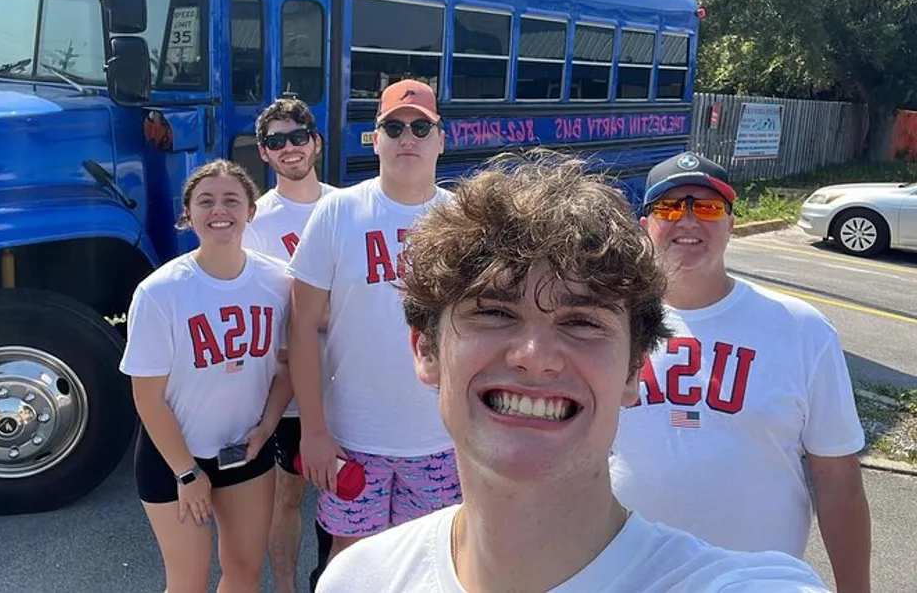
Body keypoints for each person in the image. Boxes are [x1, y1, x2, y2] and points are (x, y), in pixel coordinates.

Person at [314, 148, 830, 592]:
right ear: (425, 350)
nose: (535, 354)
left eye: (582, 321)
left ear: (634, 371)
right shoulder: (358, 578)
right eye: (494, 312)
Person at [610, 151, 871, 591]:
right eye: (670, 207)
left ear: (731, 224)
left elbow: (838, 478)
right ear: (646, 226)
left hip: (756, 580)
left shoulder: (801, 328)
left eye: (708, 208)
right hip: (628, 574)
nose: (688, 221)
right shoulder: (608, 323)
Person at [287, 79, 461, 563]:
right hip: (353, 435)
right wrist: (313, 430)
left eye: (421, 127)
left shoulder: (461, 219)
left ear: (440, 139)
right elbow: (300, 327)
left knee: (430, 563)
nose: (408, 137)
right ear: (376, 137)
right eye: (395, 126)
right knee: (351, 562)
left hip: (440, 438)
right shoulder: (339, 211)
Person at [120, 159, 294, 592]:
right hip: (173, 458)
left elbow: (288, 366)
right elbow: (148, 397)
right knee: (188, 581)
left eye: (232, 200)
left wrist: (268, 425)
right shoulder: (161, 291)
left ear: (251, 212)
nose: (220, 210)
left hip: (244, 450)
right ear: (188, 214)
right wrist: (186, 473)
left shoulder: (277, 281)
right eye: (206, 201)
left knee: (244, 570)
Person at [241, 96, 336, 593]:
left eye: (298, 137)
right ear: (264, 152)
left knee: (348, 496)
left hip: (349, 382)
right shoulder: (254, 223)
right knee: (288, 496)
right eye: (277, 141)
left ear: (315, 142)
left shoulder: (347, 207)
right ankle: (286, 588)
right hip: (292, 391)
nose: (290, 148)